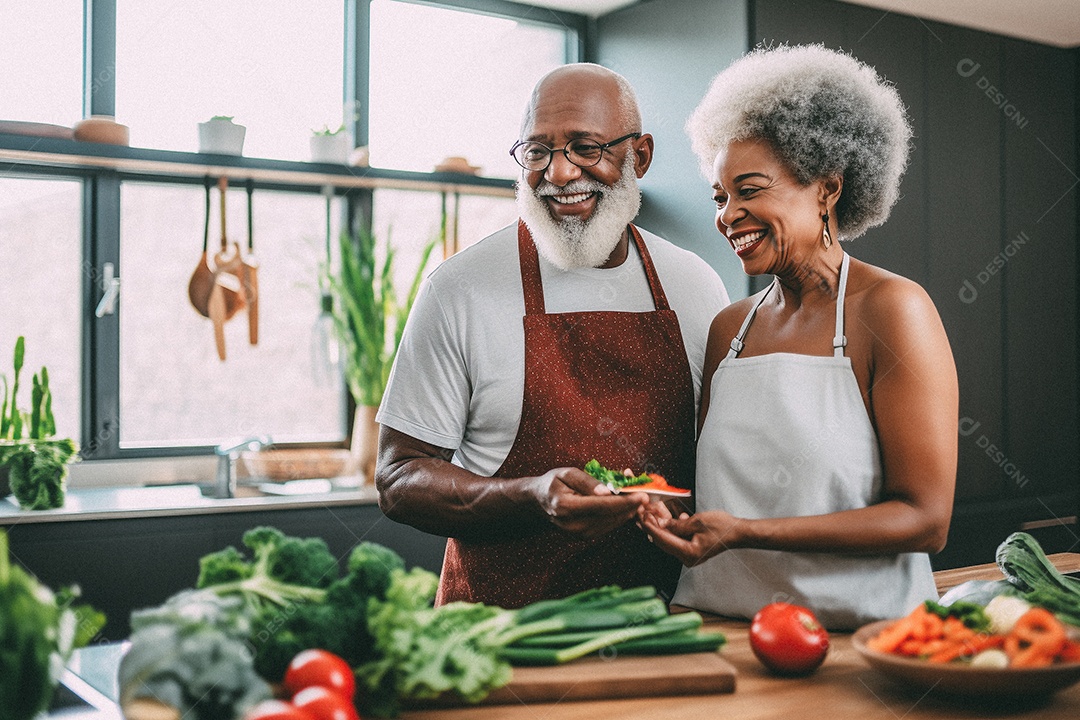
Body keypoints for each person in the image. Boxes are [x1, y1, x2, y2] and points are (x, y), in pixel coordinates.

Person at [375, 63, 730, 608]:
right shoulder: (459, 288)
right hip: (501, 639)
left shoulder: (696, 287)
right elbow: (399, 478)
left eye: (586, 148)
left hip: (663, 629)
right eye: (537, 151)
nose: (559, 174)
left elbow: (723, 460)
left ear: (641, 155)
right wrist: (529, 496)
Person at [640, 45, 958, 630]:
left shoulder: (892, 310)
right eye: (720, 196)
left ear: (827, 189)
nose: (728, 214)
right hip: (717, 626)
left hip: (858, 641)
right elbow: (716, 497)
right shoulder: (729, 329)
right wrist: (636, 500)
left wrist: (746, 535)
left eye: (750, 189)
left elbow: (924, 519)